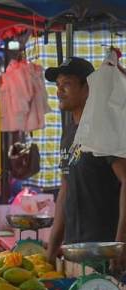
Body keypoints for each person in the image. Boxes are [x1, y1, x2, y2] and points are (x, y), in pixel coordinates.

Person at [45, 57, 126, 273]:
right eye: (58, 85)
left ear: (88, 89)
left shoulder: (104, 128)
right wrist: (51, 251)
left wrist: (120, 244)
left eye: (67, 84)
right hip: (76, 251)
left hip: (106, 252)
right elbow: (65, 188)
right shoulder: (69, 133)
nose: (59, 91)